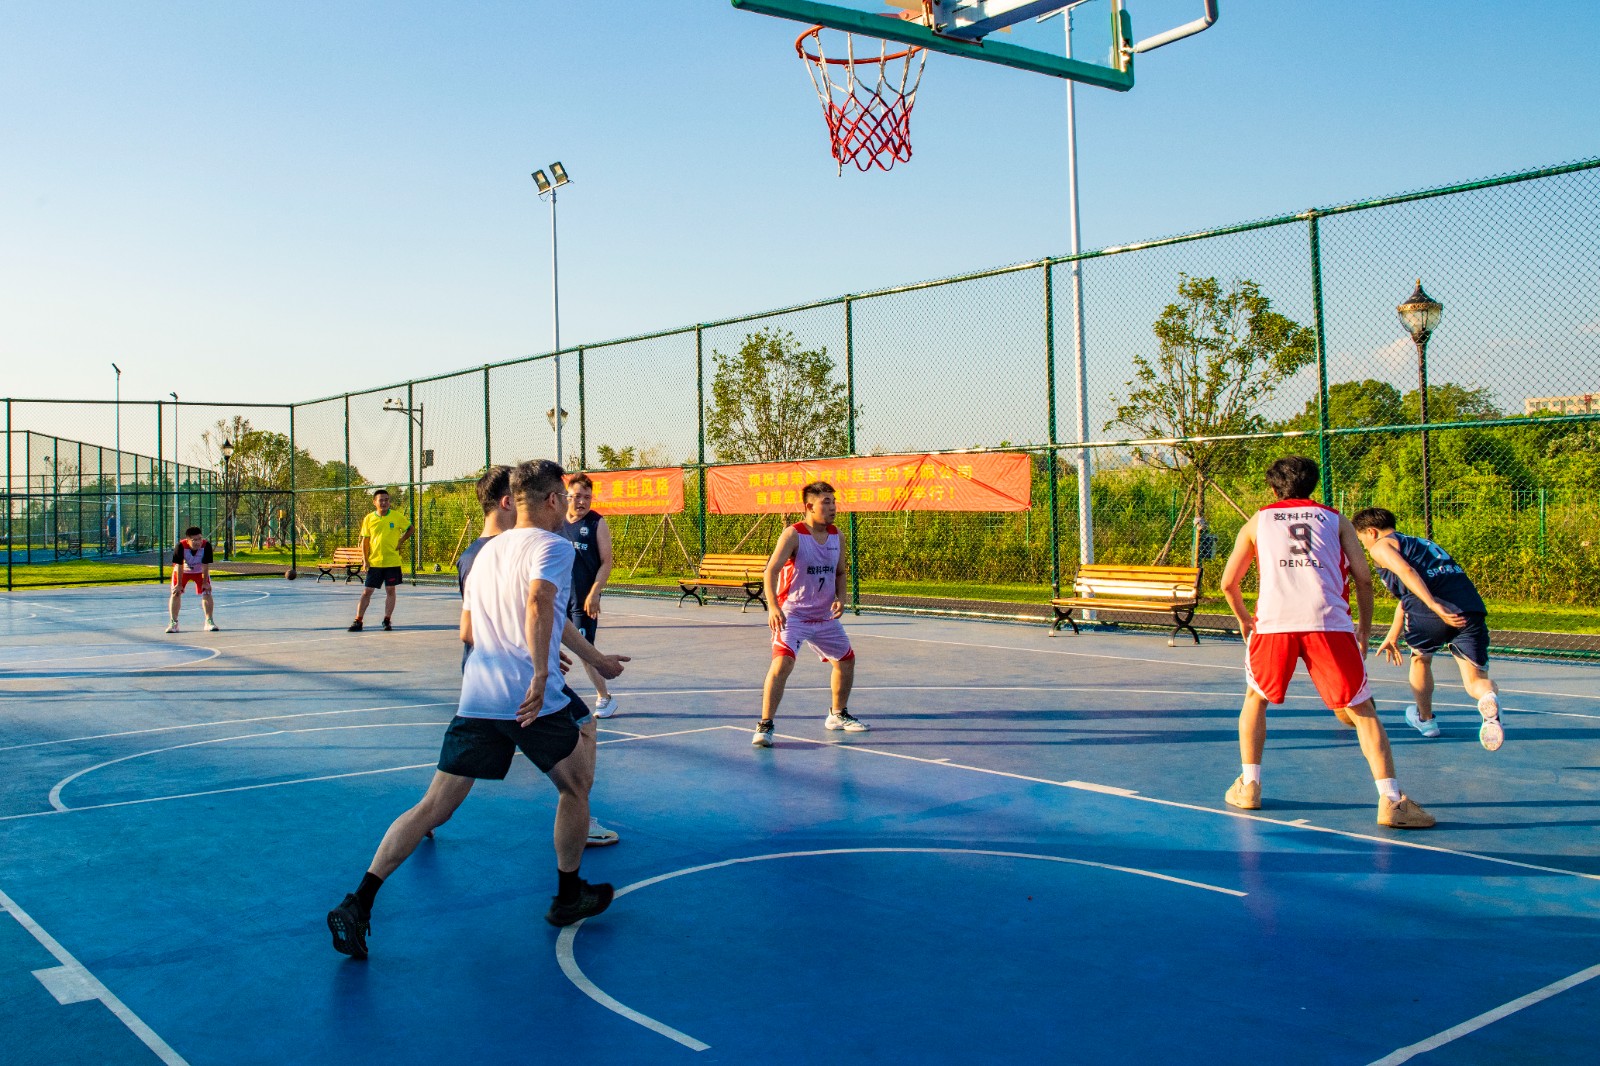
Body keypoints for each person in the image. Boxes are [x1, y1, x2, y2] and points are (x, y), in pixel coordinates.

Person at [327, 460, 629, 959]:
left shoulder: (486, 553)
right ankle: (568, 894)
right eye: (563, 496)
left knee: (433, 807)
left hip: (477, 696)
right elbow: (540, 603)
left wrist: (588, 656)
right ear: (553, 499)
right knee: (575, 787)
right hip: (528, 698)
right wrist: (538, 670)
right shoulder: (553, 547)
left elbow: (471, 629)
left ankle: (359, 900)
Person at [1219, 456, 1434, 829]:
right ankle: (1391, 801)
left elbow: (1228, 583)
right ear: (1313, 485)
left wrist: (1243, 619)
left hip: (1274, 624)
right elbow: (1363, 578)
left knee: (1255, 699)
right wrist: (1363, 629)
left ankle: (1249, 785)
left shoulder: (1257, 521)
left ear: (1273, 488)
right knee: (1362, 710)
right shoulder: (1336, 520)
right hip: (1328, 622)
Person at [458, 465, 619, 847]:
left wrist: (560, 650)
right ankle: (578, 837)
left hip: (485, 683)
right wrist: (535, 656)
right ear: (508, 502)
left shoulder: (492, 550)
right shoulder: (514, 550)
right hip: (516, 680)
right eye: (564, 496)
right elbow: (520, 611)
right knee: (574, 772)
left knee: (446, 791)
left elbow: (542, 614)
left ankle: (419, 828)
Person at [1350, 507, 1503, 750]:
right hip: (1468, 608)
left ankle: (1426, 720)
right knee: (1475, 682)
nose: (1364, 546)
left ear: (1372, 532)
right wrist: (1393, 633)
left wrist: (1433, 605)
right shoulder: (1421, 544)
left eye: (1361, 539)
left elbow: (1406, 572)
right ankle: (1488, 698)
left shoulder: (1381, 546)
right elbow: (1407, 594)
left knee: (1421, 659)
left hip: (1429, 609)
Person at [752, 481, 867, 748]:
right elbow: (770, 571)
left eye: (834, 502)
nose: (833, 507)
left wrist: (841, 598)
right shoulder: (793, 535)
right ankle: (765, 724)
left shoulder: (837, 536)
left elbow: (840, 572)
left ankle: (837, 714)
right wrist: (773, 606)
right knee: (782, 664)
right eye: (826, 502)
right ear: (809, 506)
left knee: (846, 660)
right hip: (793, 615)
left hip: (824, 616)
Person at [561, 473, 618, 718]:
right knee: (544, 645)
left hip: (583, 600)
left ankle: (604, 697)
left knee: (585, 649)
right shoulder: (556, 522)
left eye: (587, 497)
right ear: (566, 496)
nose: (582, 501)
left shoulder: (596, 523)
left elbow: (607, 562)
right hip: (558, 598)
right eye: (577, 496)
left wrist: (595, 592)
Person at [349, 488, 412, 632]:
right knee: (367, 591)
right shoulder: (369, 518)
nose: (384, 503)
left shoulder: (396, 516)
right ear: (374, 502)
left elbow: (410, 528)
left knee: (390, 589)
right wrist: (365, 560)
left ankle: (387, 620)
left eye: (386, 500)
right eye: (381, 500)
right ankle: (358, 620)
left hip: (392, 562)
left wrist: (401, 540)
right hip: (375, 562)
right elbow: (365, 541)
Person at [166, 526, 218, 633]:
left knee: (207, 592)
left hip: (199, 572)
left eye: (200, 539)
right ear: (188, 540)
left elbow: (205, 565)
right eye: (194, 540)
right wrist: (179, 584)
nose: (198, 542)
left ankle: (209, 621)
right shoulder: (180, 546)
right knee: (175, 593)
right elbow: (179, 565)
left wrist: (205, 583)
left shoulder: (206, 546)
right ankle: (173, 623)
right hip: (182, 572)